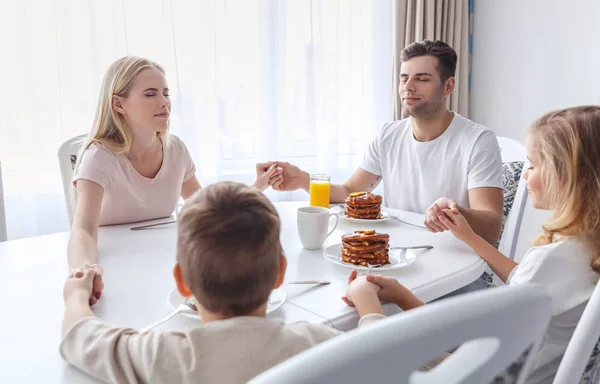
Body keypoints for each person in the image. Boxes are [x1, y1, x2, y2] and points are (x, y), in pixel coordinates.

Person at [344, 106, 600, 383]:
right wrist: (467, 236)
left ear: (567, 175)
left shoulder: (553, 259)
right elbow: (527, 280)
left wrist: (367, 300)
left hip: (482, 375)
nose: (525, 175)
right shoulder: (583, 247)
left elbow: (467, 345)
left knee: (362, 350)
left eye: (533, 165)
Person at [60, 182, 385, 383]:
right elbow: (382, 353)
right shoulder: (313, 343)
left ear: (183, 282)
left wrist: (76, 295)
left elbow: (79, 337)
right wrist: (366, 299)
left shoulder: (162, 355)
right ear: (279, 274)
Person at [67, 56, 282, 305]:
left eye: (166, 93)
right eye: (150, 94)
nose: (164, 103)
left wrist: (257, 187)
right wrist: (84, 271)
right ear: (118, 104)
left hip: (164, 266)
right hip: (114, 269)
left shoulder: (176, 149)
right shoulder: (99, 157)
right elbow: (83, 229)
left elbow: (206, 208)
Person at [267, 39, 504, 244]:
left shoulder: (478, 141)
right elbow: (350, 191)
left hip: (458, 265)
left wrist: (452, 213)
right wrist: (302, 180)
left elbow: (492, 227)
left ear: (448, 86)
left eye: (422, 79)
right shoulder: (389, 135)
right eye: (404, 79)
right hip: (398, 255)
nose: (408, 87)